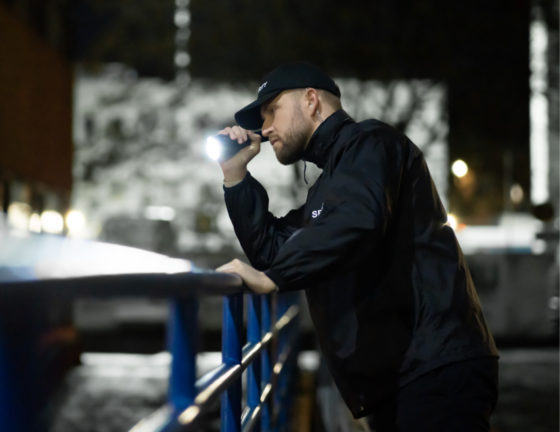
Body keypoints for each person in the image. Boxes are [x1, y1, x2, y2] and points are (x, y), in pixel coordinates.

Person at [214, 62, 499, 431]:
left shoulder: (372, 143)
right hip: (404, 374)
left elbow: (357, 221)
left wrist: (275, 278)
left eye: (273, 111)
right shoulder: (331, 185)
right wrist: (236, 178)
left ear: (312, 101)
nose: (265, 128)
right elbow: (274, 250)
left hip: (435, 366)